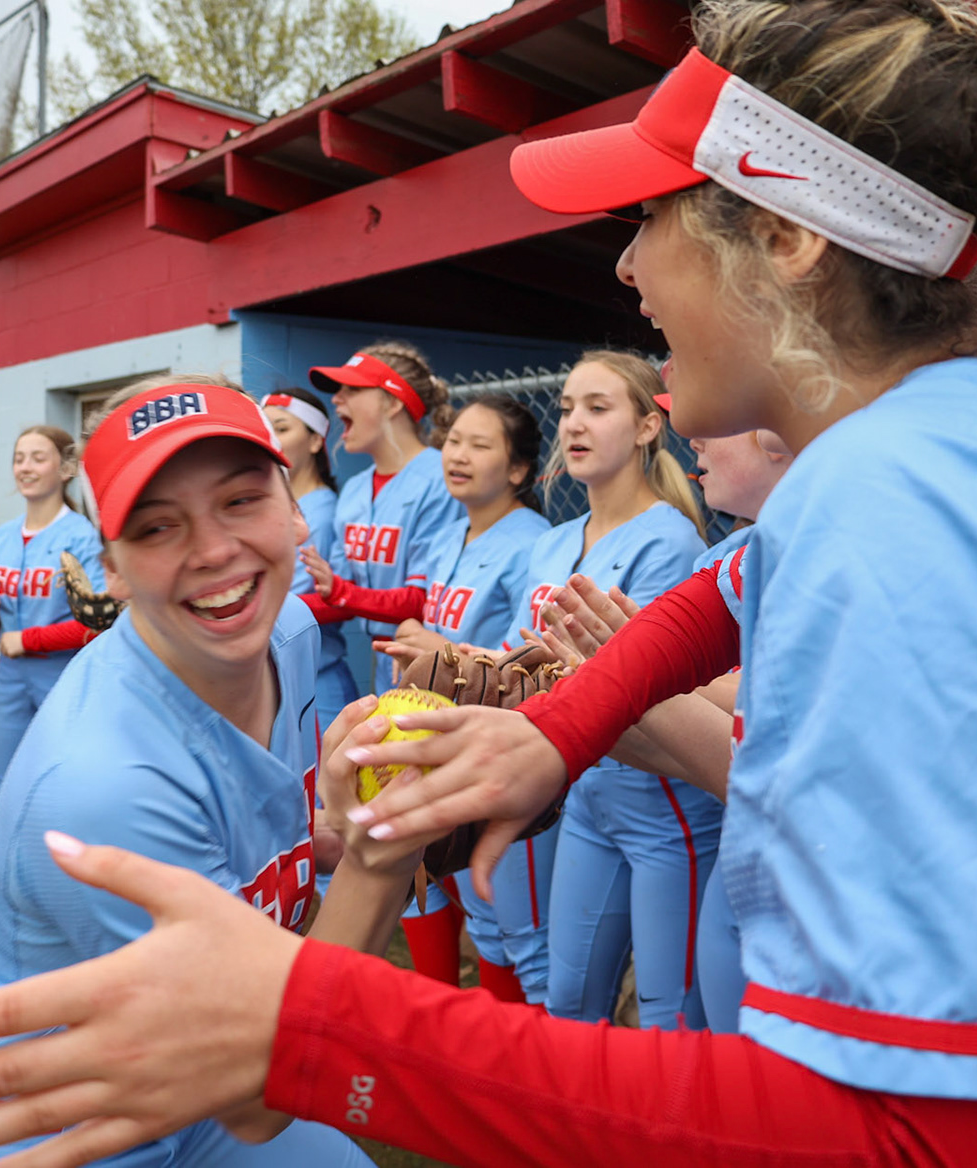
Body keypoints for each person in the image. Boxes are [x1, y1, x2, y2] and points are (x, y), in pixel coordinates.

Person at [0, 0, 977, 1167]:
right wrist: (556, 728)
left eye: (653, 215)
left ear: (787, 243)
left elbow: (897, 1139)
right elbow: (742, 579)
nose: (631, 267)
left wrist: (317, 1029)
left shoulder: (900, 502)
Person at [0, 376, 380, 1167]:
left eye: (241, 500)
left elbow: (253, 844)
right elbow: (258, 1091)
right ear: (108, 570)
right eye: (157, 525)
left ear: (296, 508)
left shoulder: (291, 630)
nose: (214, 551)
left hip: (186, 1090)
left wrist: (333, 837)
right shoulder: (100, 781)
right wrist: (388, 854)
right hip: (33, 1124)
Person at [504, 349, 716, 1030]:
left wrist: (499, 663)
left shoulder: (671, 540)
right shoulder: (555, 539)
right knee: (567, 1001)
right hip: (588, 792)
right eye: (566, 409)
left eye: (598, 407)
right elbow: (522, 658)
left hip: (664, 806)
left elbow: (625, 682)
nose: (573, 424)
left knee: (668, 1014)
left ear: (649, 426)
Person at [298, 343, 468, 982]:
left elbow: (422, 597)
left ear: (393, 401)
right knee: (401, 843)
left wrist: (341, 594)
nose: (337, 402)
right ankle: (428, 992)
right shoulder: (356, 489)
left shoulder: (434, 476)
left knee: (441, 848)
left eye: (350, 390)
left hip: (433, 676)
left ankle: (444, 993)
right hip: (378, 675)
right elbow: (344, 592)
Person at [378, 393, 551, 1004]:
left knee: (510, 925)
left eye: (480, 445)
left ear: (517, 470)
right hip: (436, 742)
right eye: (454, 441)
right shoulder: (448, 532)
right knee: (454, 898)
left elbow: (531, 655)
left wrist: (435, 644)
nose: (459, 454)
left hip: (499, 748)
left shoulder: (534, 540)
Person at [0, 425, 104, 832]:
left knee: (68, 792)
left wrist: (27, 639)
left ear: (66, 470)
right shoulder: (2, 538)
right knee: (0, 794)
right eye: (19, 458)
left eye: (37, 458)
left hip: (65, 679)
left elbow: (100, 626)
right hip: (10, 681)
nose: (25, 467)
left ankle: (66, 891)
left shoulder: (84, 538)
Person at [260, 387, 356, 737]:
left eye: (282, 429)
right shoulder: (268, 508)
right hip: (276, 680)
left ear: (316, 441)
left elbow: (340, 601)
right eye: (266, 429)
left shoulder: (325, 511)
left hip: (319, 682)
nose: (272, 439)